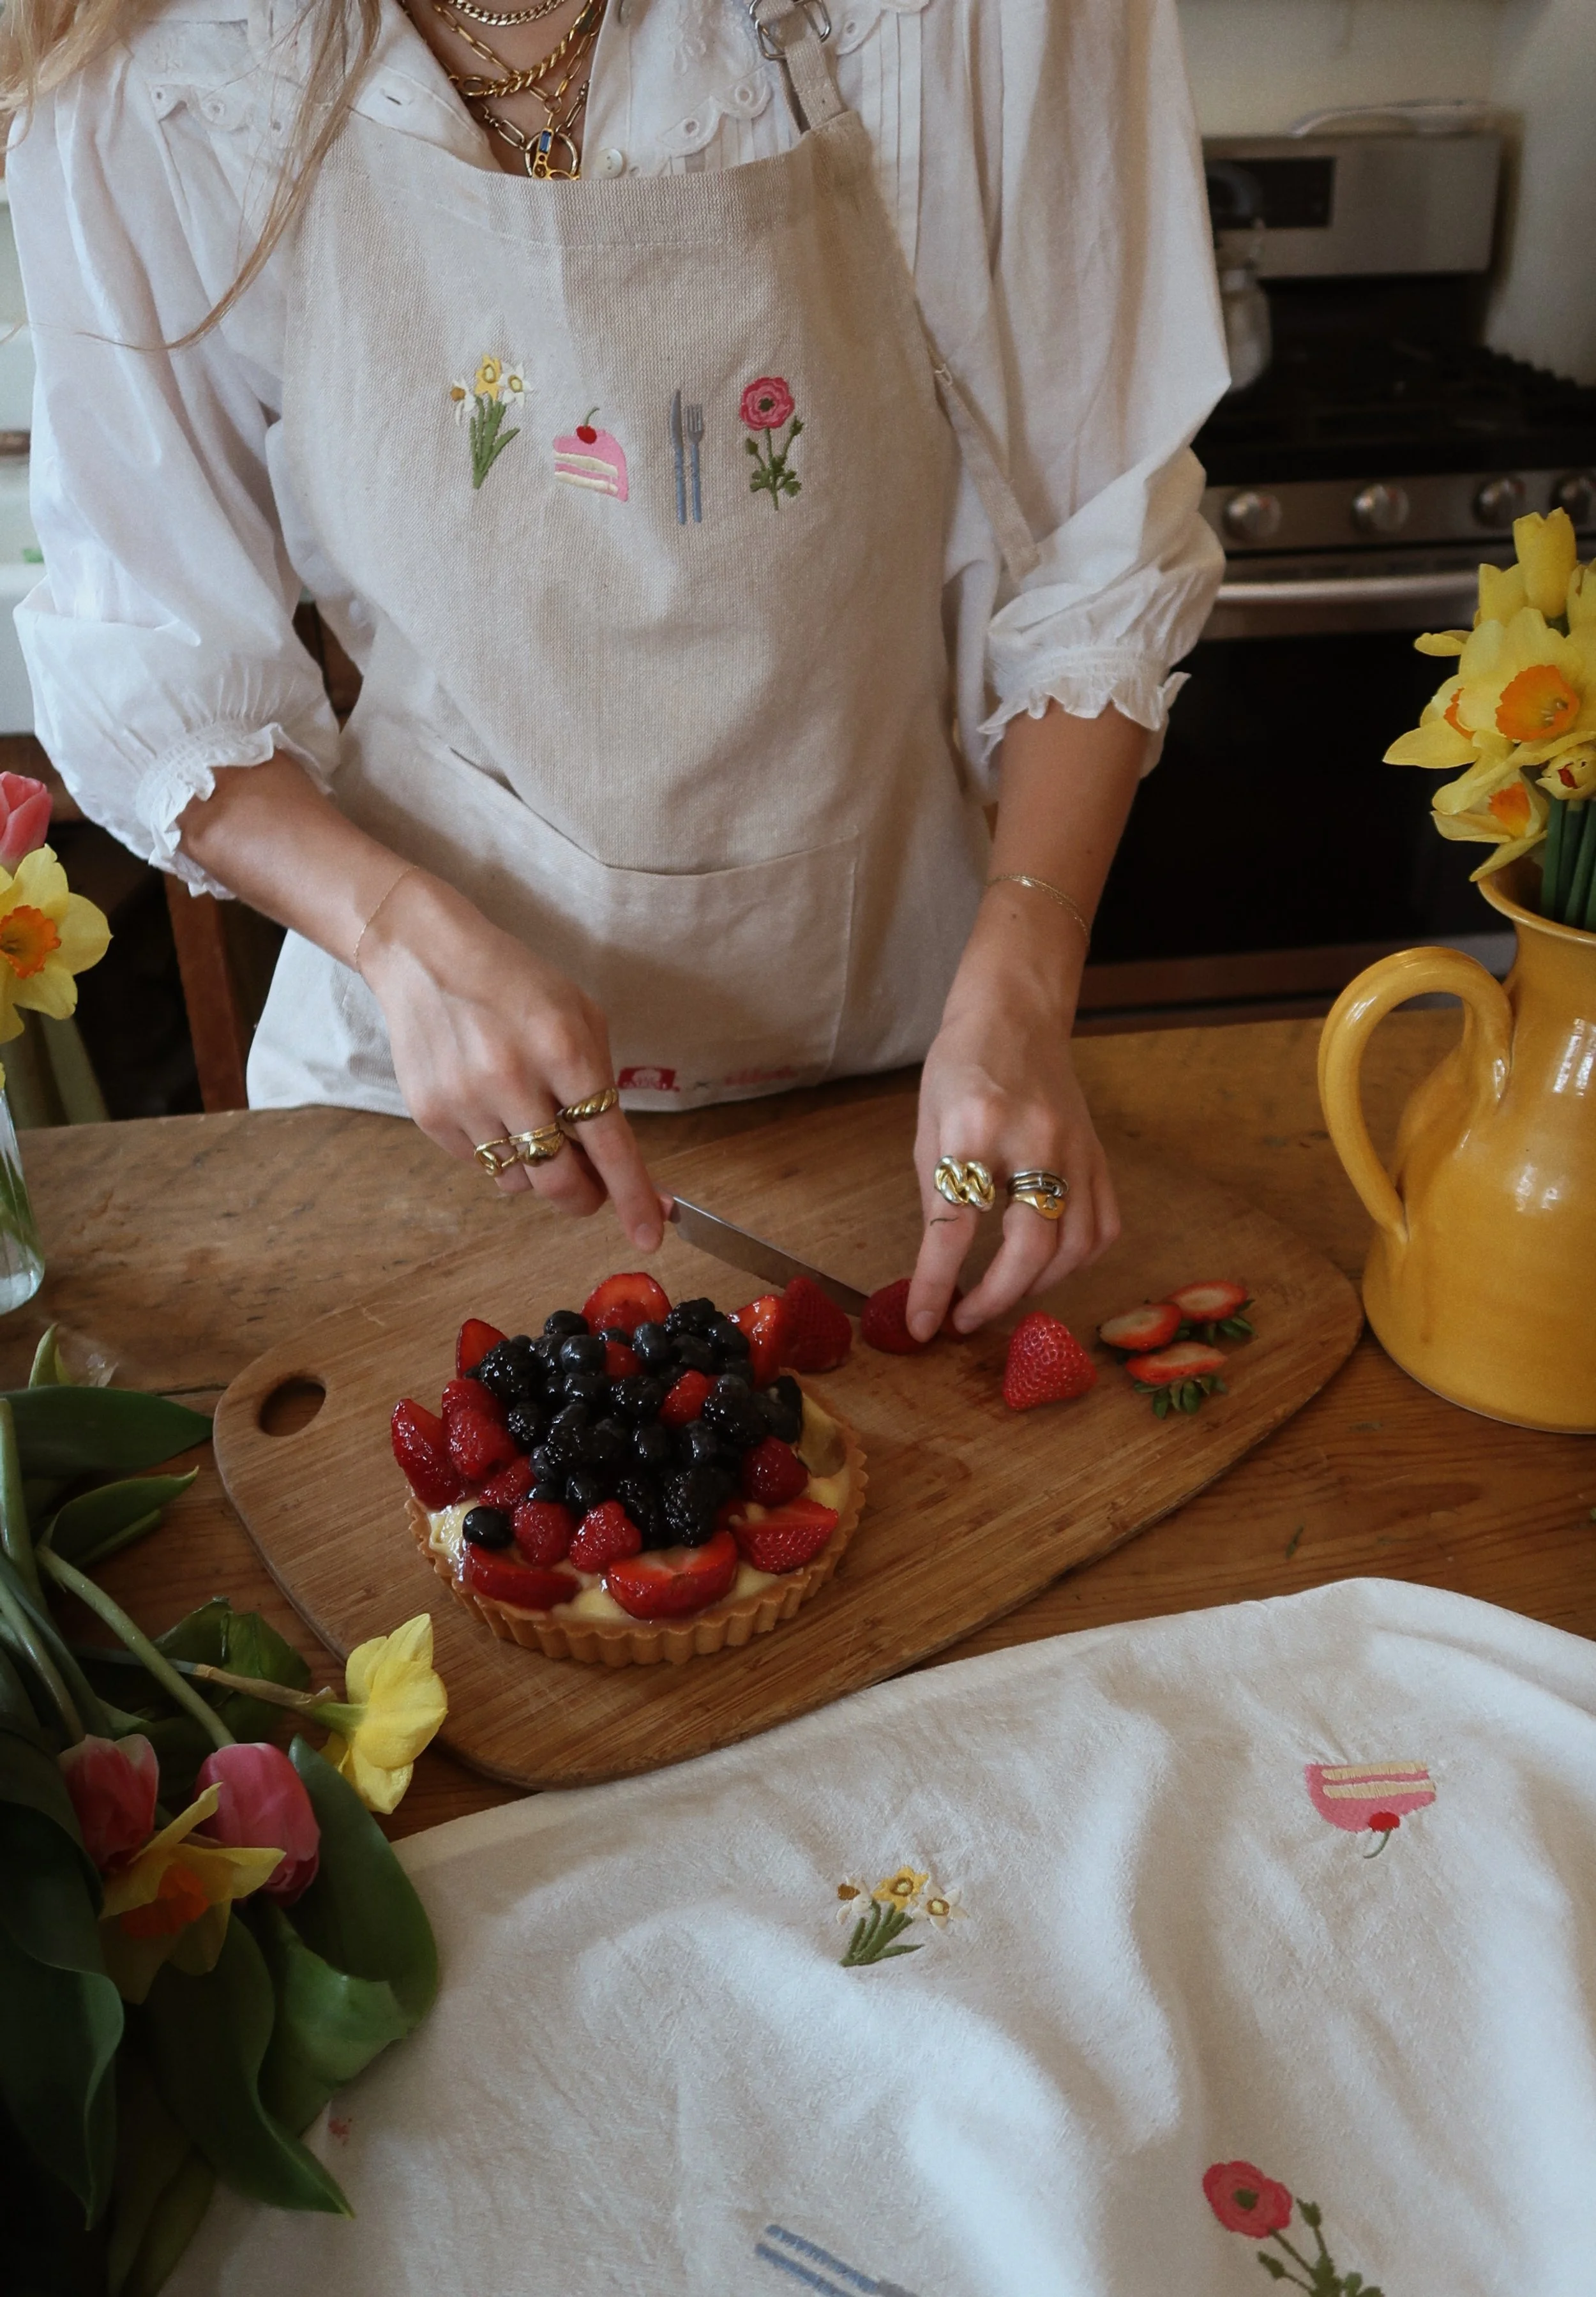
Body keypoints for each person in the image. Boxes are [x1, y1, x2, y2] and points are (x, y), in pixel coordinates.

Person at [5, 0, 1228, 1339]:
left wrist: (1027, 971)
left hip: (914, 1061)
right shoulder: (146, 70)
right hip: (422, 1088)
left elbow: (1095, 541)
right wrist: (396, 940)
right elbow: (161, 661)